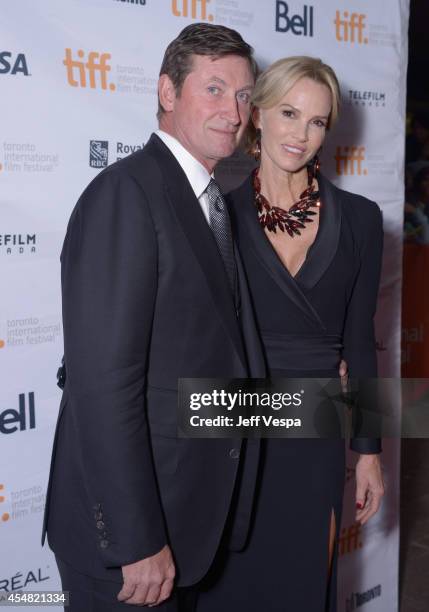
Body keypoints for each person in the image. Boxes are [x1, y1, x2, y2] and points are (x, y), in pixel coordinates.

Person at [42, 23, 264, 611]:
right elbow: (103, 385)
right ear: (168, 92)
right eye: (214, 89)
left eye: (244, 95)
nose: (234, 110)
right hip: (130, 546)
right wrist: (137, 539)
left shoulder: (211, 204)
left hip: (187, 520)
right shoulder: (126, 194)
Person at [197, 56, 385, 612]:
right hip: (235, 433)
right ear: (256, 116)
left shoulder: (361, 220)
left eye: (318, 121)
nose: (301, 134)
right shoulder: (216, 218)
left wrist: (369, 450)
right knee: (229, 589)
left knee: (301, 586)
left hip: (314, 444)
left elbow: (359, 338)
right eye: (288, 113)